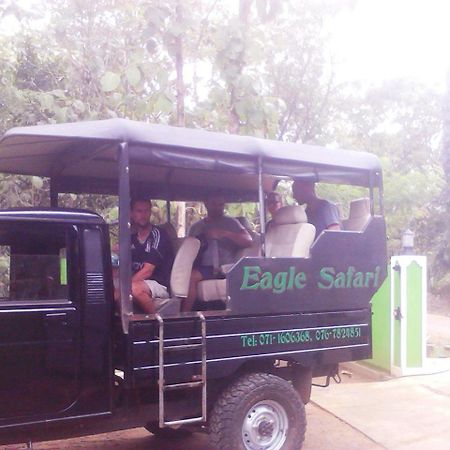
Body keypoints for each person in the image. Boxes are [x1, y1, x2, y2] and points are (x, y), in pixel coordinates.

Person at [184, 191, 252, 311]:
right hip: (200, 266)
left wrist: (224, 233)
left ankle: (183, 316)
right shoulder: (196, 227)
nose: (217, 208)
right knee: (182, 273)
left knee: (190, 277)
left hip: (222, 268)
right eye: (214, 204)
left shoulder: (231, 223)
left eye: (221, 205)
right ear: (206, 204)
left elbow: (248, 240)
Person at [130, 198, 174, 314]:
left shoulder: (159, 235)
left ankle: (155, 325)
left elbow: (147, 271)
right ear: (131, 214)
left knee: (133, 289)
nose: (143, 215)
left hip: (159, 283)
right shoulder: (131, 238)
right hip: (139, 281)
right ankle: (128, 328)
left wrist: (124, 287)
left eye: (146, 211)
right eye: (139, 211)